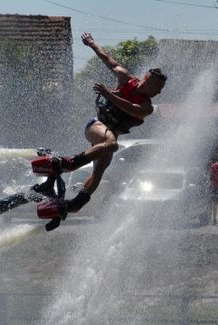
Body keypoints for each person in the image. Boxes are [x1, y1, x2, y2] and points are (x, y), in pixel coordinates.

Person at [32, 32, 167, 219]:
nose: (159, 93)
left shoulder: (147, 107)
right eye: (158, 88)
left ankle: (72, 205)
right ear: (148, 80)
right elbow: (108, 59)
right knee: (111, 144)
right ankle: (69, 163)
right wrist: (92, 43)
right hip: (96, 127)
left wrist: (108, 93)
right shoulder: (125, 78)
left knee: (99, 172)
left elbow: (130, 108)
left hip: (112, 134)